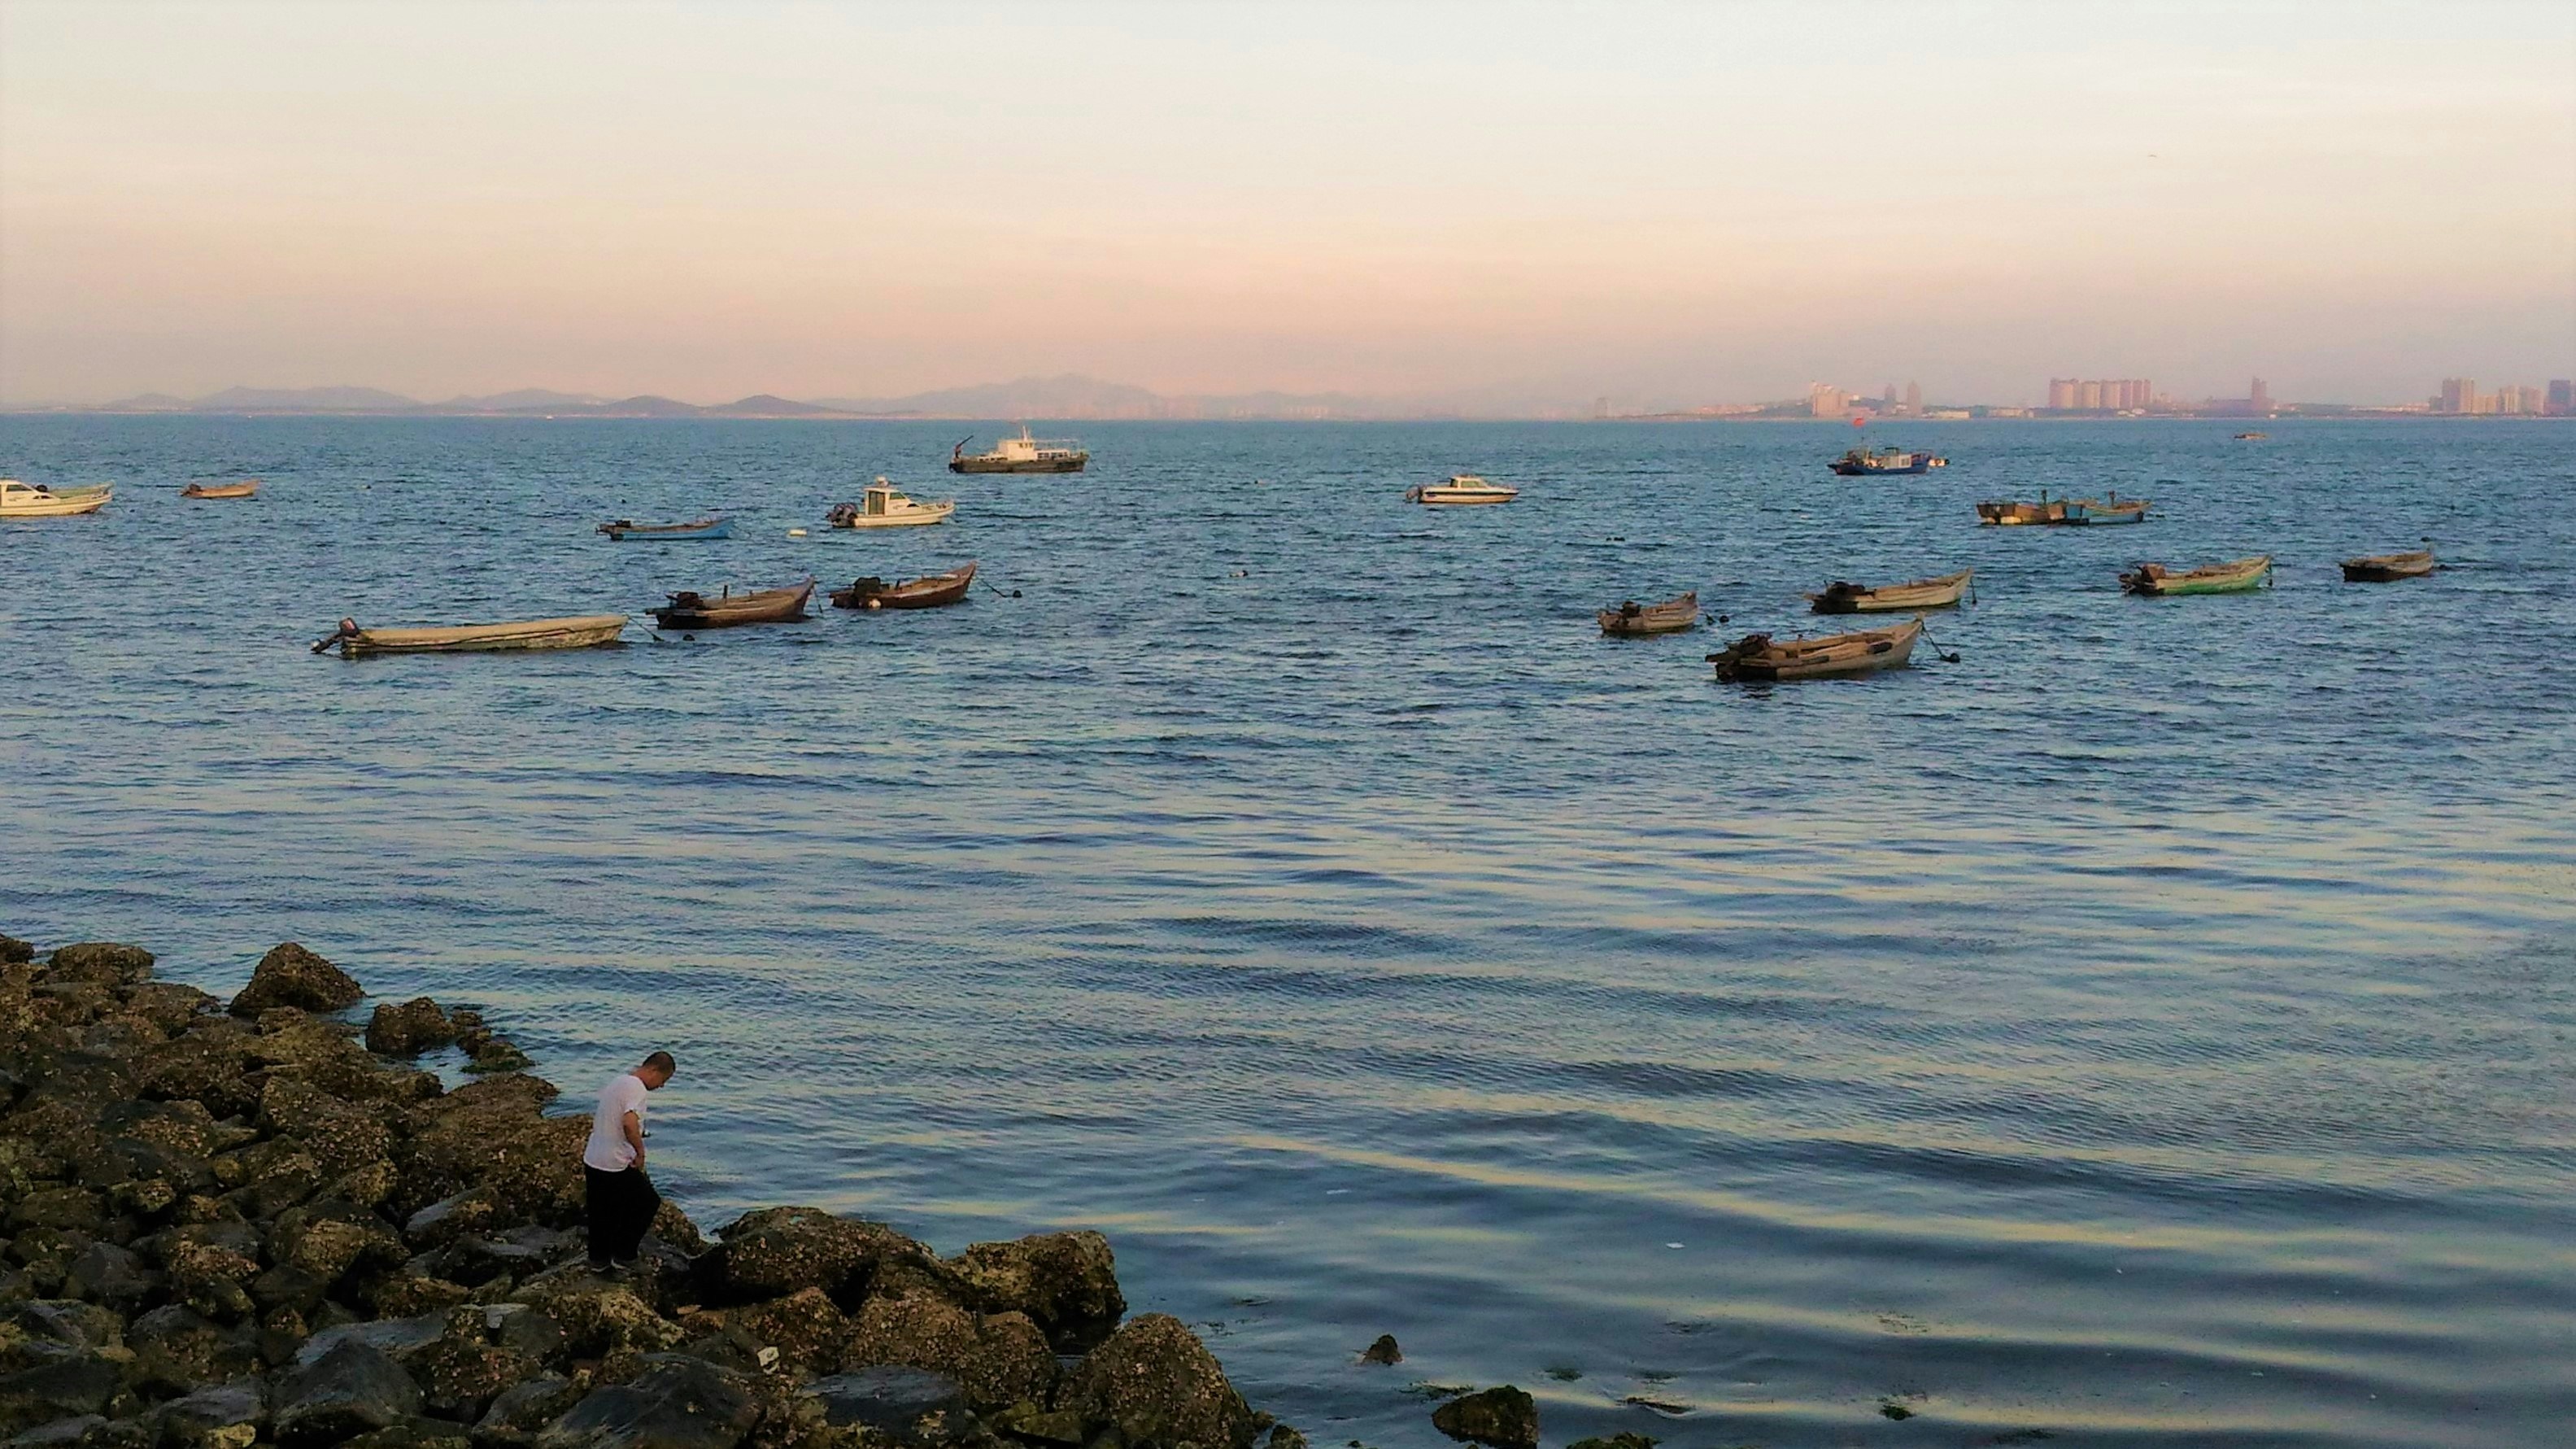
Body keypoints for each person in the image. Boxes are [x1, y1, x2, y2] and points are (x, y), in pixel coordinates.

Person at [583, 1051, 674, 1272]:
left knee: (601, 1210)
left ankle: (598, 1260)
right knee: (647, 1202)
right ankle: (625, 1255)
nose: (661, 1086)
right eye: (663, 1080)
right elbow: (628, 1122)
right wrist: (640, 1151)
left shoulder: (619, 1081)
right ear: (653, 1070)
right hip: (614, 1162)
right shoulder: (636, 1087)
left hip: (594, 1157)